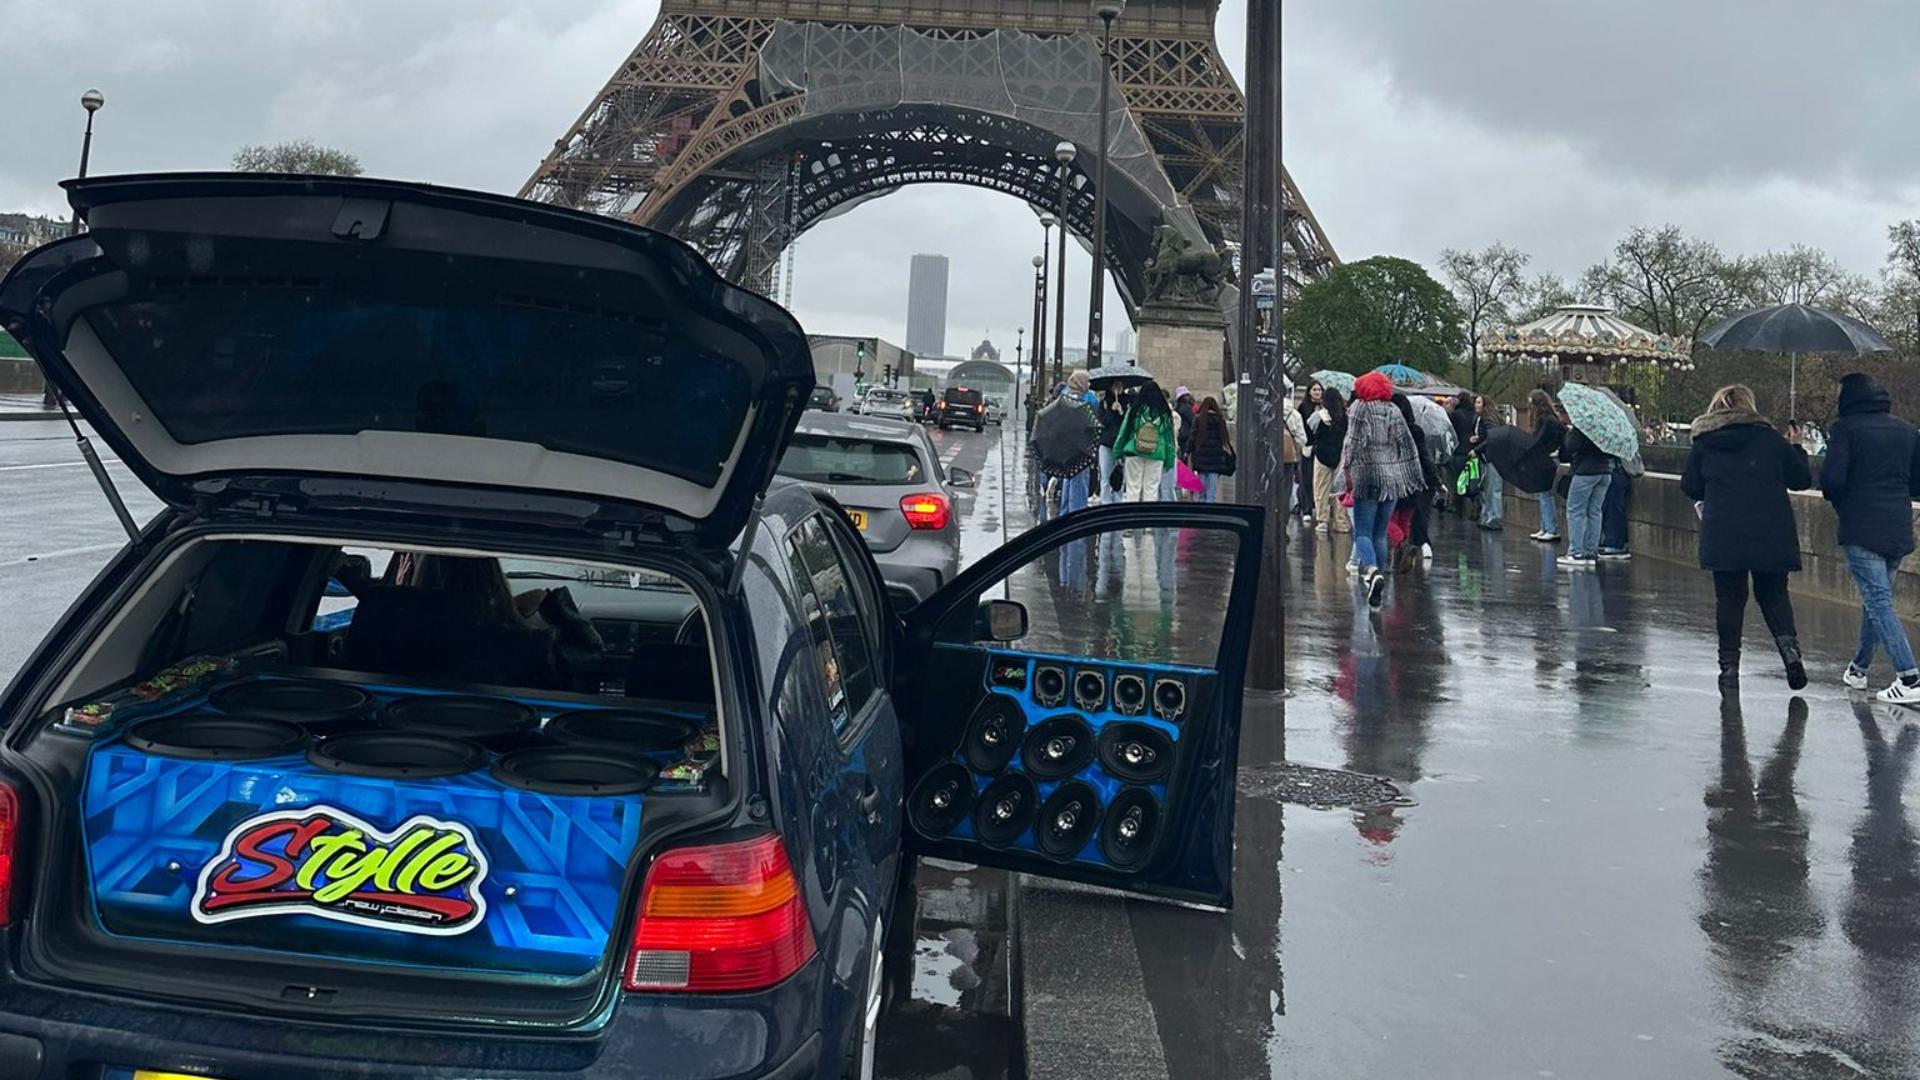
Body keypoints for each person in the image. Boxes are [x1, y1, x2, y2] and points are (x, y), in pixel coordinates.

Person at [1680, 384, 1812, 691]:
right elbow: (1801, 480)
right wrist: (1795, 446)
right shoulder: (1770, 439)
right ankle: (1791, 654)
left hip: (1724, 531)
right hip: (1771, 530)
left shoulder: (1705, 442)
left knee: (1729, 600)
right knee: (1775, 595)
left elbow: (1690, 485)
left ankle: (1729, 668)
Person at [1821, 372, 1920, 703]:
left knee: (1879, 603)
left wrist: (1845, 504)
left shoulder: (1845, 429)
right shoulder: (1907, 431)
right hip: (1898, 528)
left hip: (1862, 528)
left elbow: (1832, 481)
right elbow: (1917, 484)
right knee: (1876, 602)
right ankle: (1858, 670)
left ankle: (1909, 678)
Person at [1339, 372, 1425, 608]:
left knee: (1362, 533)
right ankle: (1380, 579)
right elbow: (1407, 445)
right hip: (1392, 480)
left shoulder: (1359, 408)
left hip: (1366, 476)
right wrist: (1413, 477)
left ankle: (1372, 571)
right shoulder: (1394, 411)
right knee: (1379, 534)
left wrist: (1345, 479)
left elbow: (1352, 444)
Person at [1557, 401, 1617, 569]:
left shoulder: (1582, 426)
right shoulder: (1604, 427)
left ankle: (1576, 552)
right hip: (1605, 472)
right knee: (1595, 511)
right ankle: (1591, 551)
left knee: (1575, 510)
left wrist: (1571, 432)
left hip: (1585, 472)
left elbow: (1570, 446)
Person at [1390, 392, 1442, 565]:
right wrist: (1437, 480)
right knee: (1407, 518)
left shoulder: (1389, 430)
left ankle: (1401, 545)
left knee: (1390, 519)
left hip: (1396, 480)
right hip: (1419, 481)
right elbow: (1426, 458)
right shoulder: (1416, 430)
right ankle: (1403, 552)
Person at [1116, 380, 1176, 502]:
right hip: (1157, 453)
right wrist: (1170, 460)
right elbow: (1170, 439)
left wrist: (1118, 451)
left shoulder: (1135, 410)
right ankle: (1147, 518)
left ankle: (1131, 517)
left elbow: (1124, 432)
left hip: (1134, 450)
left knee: (1133, 487)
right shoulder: (1165, 414)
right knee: (1151, 489)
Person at [1307, 386, 1350, 533]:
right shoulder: (1346, 417)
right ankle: (1341, 522)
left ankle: (1322, 520)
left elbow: (1309, 432)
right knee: (1339, 490)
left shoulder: (1319, 416)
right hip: (1340, 457)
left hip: (1322, 456)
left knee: (1321, 489)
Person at [1526, 390, 1566, 543]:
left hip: (1547, 459)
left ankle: (1551, 528)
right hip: (1549, 458)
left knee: (1545, 494)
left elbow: (1539, 439)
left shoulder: (1546, 420)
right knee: (1543, 494)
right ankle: (1545, 526)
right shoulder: (1552, 419)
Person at [1188, 396, 1236, 503]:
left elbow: (1192, 438)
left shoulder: (1198, 419)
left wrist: (1187, 452)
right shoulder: (1219, 420)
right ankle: (1210, 514)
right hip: (1215, 461)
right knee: (1211, 493)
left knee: (1202, 493)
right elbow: (1225, 440)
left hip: (1200, 460)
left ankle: (1200, 514)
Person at [1471, 394, 1504, 531]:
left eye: (1479, 402)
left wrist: (1477, 449)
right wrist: (1478, 438)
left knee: (1492, 488)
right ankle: (1487, 516)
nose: (1475, 405)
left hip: (1492, 457)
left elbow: (1492, 437)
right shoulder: (1481, 418)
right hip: (1487, 456)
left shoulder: (1487, 418)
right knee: (1486, 488)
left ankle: (1493, 518)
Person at [1447, 391, 1478, 513]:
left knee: (1457, 480)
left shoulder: (1455, 415)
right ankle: (1475, 505)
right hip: (1472, 450)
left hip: (1458, 451)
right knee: (1472, 479)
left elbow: (1450, 431)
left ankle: (1457, 505)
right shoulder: (1474, 415)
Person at [1296, 382, 1322, 523]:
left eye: (1319, 390)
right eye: (1314, 389)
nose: (1317, 392)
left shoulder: (1326, 407)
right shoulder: (1303, 407)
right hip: (1308, 446)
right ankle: (1306, 508)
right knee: (1306, 478)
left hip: (1321, 447)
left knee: (1319, 480)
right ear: (1309, 391)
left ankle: (1316, 507)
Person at [1096, 388, 1125, 503]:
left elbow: (1126, 422)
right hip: (1106, 443)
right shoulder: (1103, 403)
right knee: (1105, 475)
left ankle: (1118, 500)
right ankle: (1105, 502)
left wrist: (1121, 411)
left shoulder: (1126, 401)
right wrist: (1111, 411)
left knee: (1119, 474)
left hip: (1120, 443)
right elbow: (1102, 422)